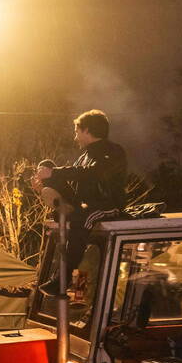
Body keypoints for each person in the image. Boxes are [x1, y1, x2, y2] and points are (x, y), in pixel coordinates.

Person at [34, 109, 127, 296]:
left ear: (86, 130)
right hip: (83, 203)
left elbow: (94, 173)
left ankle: (64, 278)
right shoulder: (84, 155)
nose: (75, 137)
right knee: (47, 165)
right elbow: (75, 174)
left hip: (104, 204)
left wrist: (56, 174)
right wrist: (47, 177)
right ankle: (63, 204)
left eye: (76, 131)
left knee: (80, 219)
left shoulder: (113, 152)